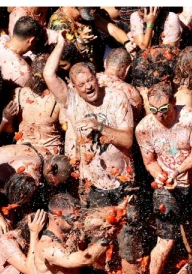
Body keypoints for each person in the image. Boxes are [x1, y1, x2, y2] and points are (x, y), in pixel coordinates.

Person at [43, 36, 136, 207]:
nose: (88, 87)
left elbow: (128, 141)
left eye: (90, 80)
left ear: (97, 77)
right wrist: (61, 44)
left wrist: (99, 126)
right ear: (74, 87)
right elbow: (48, 74)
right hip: (92, 184)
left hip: (122, 179)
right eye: (82, 85)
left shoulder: (117, 98)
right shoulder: (71, 101)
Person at [136, 81, 192, 274]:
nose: (160, 115)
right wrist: (160, 176)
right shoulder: (145, 128)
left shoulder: (191, 118)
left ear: (173, 102)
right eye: (154, 110)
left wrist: (178, 170)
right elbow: (149, 162)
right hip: (166, 183)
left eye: (164, 109)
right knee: (166, 240)